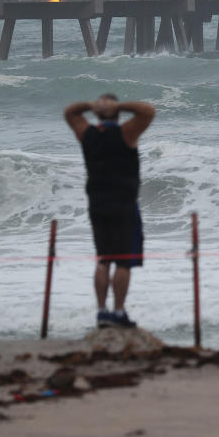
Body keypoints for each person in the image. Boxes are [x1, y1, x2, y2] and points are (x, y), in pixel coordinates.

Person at [64, 94, 155, 328]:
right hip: (123, 203)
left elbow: (70, 112)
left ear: (96, 115)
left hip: (97, 203)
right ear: (117, 113)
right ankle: (118, 312)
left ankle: (102, 312)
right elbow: (147, 111)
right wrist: (121, 105)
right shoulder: (126, 132)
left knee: (103, 258)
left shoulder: (87, 133)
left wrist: (89, 105)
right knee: (123, 261)